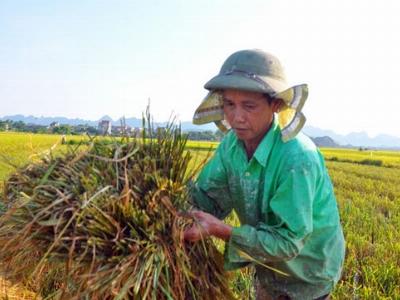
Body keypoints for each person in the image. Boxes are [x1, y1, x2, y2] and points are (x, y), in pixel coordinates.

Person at [184, 49, 345, 300]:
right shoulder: (231, 146)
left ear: (276, 104)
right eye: (229, 104)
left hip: (309, 273)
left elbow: (288, 242)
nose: (237, 117)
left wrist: (221, 230)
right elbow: (208, 198)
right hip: (268, 269)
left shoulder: (297, 158)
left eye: (249, 106)